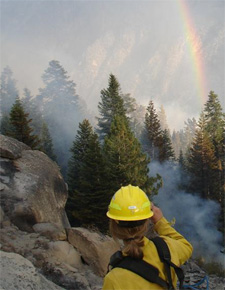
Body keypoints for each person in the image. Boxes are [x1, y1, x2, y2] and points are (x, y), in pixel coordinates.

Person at [102, 184, 193, 290]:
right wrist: (159, 221)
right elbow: (185, 245)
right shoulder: (165, 249)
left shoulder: (113, 279)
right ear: (147, 221)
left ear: (113, 225)